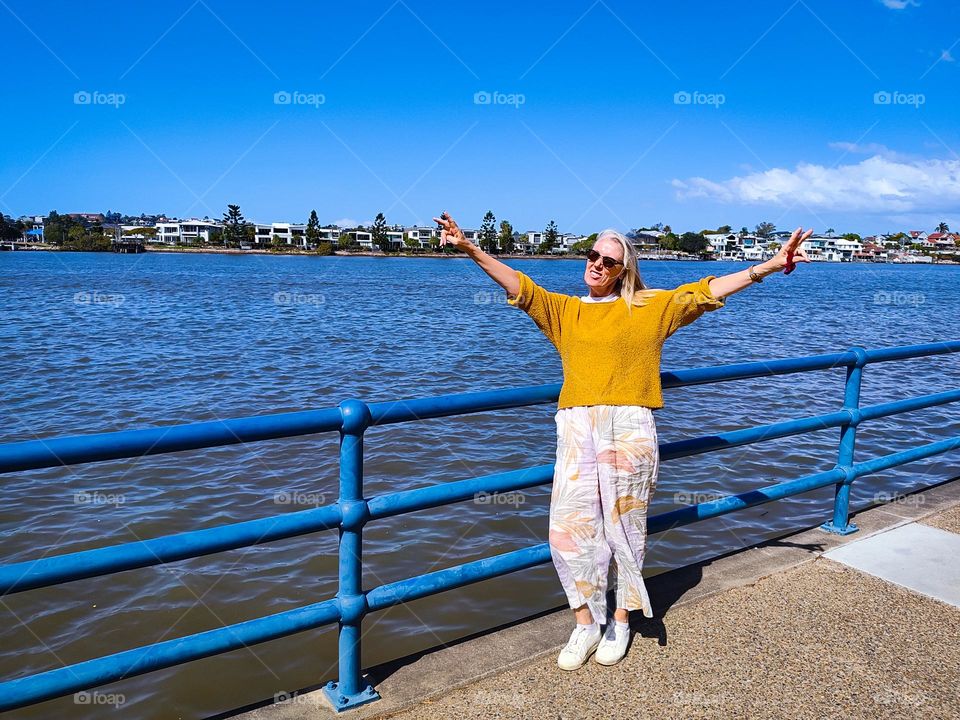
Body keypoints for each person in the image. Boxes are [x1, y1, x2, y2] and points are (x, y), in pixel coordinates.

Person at [433, 213, 811, 670]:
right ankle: (584, 622)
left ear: (623, 270)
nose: (596, 264)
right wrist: (468, 248)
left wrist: (770, 265)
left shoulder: (648, 308)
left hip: (630, 425)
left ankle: (620, 620)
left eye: (608, 261)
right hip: (576, 426)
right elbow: (519, 285)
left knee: (625, 533)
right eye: (592, 255)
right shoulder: (564, 311)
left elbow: (706, 292)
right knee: (567, 532)